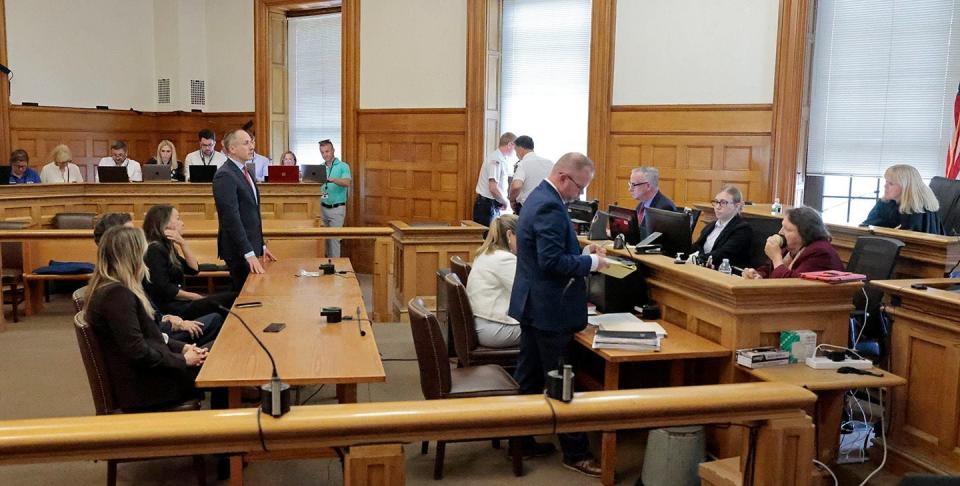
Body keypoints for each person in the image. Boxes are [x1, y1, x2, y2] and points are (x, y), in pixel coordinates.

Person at [509, 152, 606, 477]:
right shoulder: (550, 205)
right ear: (564, 177)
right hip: (550, 310)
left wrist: (580, 253)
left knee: (530, 378)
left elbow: (543, 255)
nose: (579, 195)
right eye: (579, 188)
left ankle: (520, 443)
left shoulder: (538, 197)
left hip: (533, 305)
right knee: (562, 382)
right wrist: (591, 263)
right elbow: (551, 263)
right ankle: (576, 453)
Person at [83, 225, 207, 412]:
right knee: (218, 364)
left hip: (149, 376)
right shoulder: (116, 295)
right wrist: (182, 360)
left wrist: (182, 347)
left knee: (212, 356)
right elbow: (138, 351)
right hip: (148, 388)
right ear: (133, 257)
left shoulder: (111, 288)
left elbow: (149, 335)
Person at [94, 212, 223, 348]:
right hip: (162, 348)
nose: (140, 239)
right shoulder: (117, 292)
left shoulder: (126, 278)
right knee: (219, 332)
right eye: (131, 234)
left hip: (163, 334)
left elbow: (193, 270)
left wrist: (165, 319)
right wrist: (183, 351)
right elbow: (144, 340)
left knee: (217, 325)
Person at [142, 204, 237, 319]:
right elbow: (163, 288)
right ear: (165, 224)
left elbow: (193, 269)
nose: (182, 223)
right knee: (231, 299)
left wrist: (183, 244)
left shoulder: (167, 247)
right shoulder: (155, 250)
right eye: (178, 219)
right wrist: (194, 296)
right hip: (170, 309)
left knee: (231, 298)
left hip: (180, 303)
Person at [213, 129, 276, 291]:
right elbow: (230, 218)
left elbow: (252, 214)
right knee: (245, 297)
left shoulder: (245, 171)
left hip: (251, 247)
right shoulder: (225, 175)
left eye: (252, 142)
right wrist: (248, 252)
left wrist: (261, 245)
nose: (252, 146)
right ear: (232, 149)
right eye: (246, 143)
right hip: (239, 250)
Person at [743, 206, 843, 279]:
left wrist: (776, 258)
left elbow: (791, 284)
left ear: (804, 233)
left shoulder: (820, 252)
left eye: (787, 229)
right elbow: (769, 269)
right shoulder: (790, 249)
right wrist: (758, 275)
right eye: (782, 226)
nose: (780, 232)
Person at [466, 214, 521, 348]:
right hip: (494, 328)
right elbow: (524, 293)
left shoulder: (486, 253)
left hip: (481, 323)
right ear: (509, 235)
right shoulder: (504, 259)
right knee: (547, 330)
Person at [862, 164, 943, 235]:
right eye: (886, 181)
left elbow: (912, 239)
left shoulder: (919, 209)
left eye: (891, 183)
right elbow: (867, 226)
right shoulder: (886, 202)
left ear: (906, 187)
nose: (885, 186)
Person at [692, 185, 753, 270]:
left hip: (726, 274)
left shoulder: (743, 229)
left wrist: (697, 259)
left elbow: (723, 254)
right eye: (716, 202)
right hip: (704, 268)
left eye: (723, 202)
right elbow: (698, 246)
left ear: (737, 205)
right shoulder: (710, 226)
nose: (717, 207)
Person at [473, 132, 516, 226]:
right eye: (515, 147)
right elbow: (493, 188)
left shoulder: (501, 158)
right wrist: (505, 202)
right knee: (487, 238)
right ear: (509, 145)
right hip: (487, 206)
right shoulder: (496, 159)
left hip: (491, 205)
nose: (515, 151)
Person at [626, 167, 677, 244]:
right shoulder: (641, 205)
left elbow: (655, 241)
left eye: (634, 185)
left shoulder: (664, 208)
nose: (630, 189)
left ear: (648, 186)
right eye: (630, 184)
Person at [319, 139, 352, 257]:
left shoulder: (343, 166)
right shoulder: (319, 168)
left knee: (334, 240)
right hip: (321, 208)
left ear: (333, 150)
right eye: (322, 152)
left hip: (337, 209)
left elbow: (347, 182)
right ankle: (325, 266)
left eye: (327, 151)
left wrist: (333, 179)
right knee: (322, 240)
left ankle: (335, 269)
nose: (325, 154)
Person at [508, 135, 553, 215]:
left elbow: (516, 186)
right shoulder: (549, 163)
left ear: (520, 149)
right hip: (547, 209)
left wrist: (511, 200)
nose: (516, 155)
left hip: (527, 209)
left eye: (516, 151)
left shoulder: (523, 164)